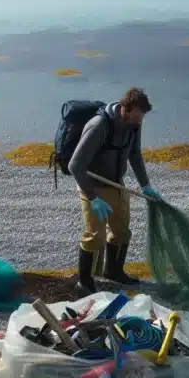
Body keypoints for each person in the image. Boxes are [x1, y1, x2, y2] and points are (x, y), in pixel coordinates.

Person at [67, 87, 162, 294]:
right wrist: (93, 199)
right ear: (125, 110)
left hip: (117, 184)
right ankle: (85, 281)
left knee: (121, 232)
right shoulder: (99, 126)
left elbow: (134, 154)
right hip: (93, 185)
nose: (139, 121)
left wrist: (145, 185)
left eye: (142, 117)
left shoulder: (134, 125)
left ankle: (114, 272)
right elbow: (75, 165)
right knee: (95, 236)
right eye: (137, 116)